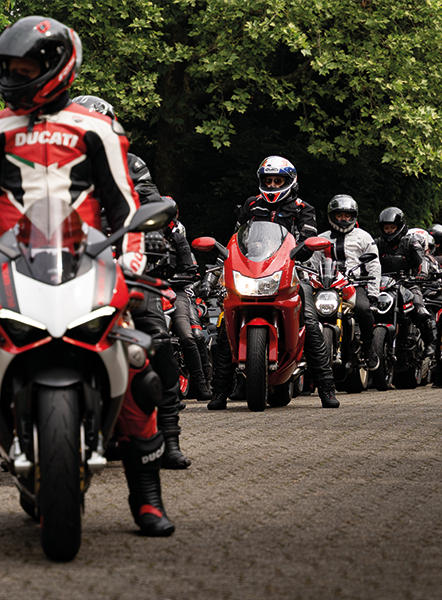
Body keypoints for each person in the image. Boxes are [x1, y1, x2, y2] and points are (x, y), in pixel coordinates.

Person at [0, 16, 173, 536]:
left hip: (86, 260)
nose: (13, 77)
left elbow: (126, 204)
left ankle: (147, 496)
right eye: (9, 68)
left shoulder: (97, 128)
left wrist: (132, 260)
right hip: (8, 263)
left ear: (56, 67)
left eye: (23, 68)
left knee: (136, 362)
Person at [73, 94, 193, 469]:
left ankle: (169, 438)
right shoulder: (56, 165)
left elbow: (147, 201)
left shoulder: (131, 163)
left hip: (124, 259)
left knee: (156, 337)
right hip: (68, 263)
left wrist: (152, 235)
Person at [208, 155, 339, 410]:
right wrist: (223, 260)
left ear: (290, 181)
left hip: (293, 272)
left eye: (278, 181)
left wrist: (304, 249)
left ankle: (327, 389)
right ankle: (219, 392)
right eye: (268, 180)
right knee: (226, 323)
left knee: (311, 323)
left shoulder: (303, 209)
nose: (272, 185)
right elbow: (236, 238)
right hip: (252, 273)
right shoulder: (251, 205)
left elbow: (307, 242)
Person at [310, 195, 381, 370]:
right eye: (339, 215)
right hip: (326, 286)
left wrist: (373, 293)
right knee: (306, 313)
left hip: (354, 284)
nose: (343, 219)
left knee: (364, 309)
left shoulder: (364, 237)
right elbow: (311, 265)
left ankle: (368, 347)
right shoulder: (321, 238)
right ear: (332, 216)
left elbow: (374, 265)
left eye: (347, 215)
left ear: (353, 216)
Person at [375, 207, 436, 358]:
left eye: (392, 227)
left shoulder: (411, 242)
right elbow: (367, 261)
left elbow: (422, 260)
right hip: (383, 286)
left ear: (400, 226)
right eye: (386, 228)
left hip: (408, 285)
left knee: (420, 312)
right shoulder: (377, 243)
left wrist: (422, 274)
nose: (389, 231)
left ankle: (430, 343)